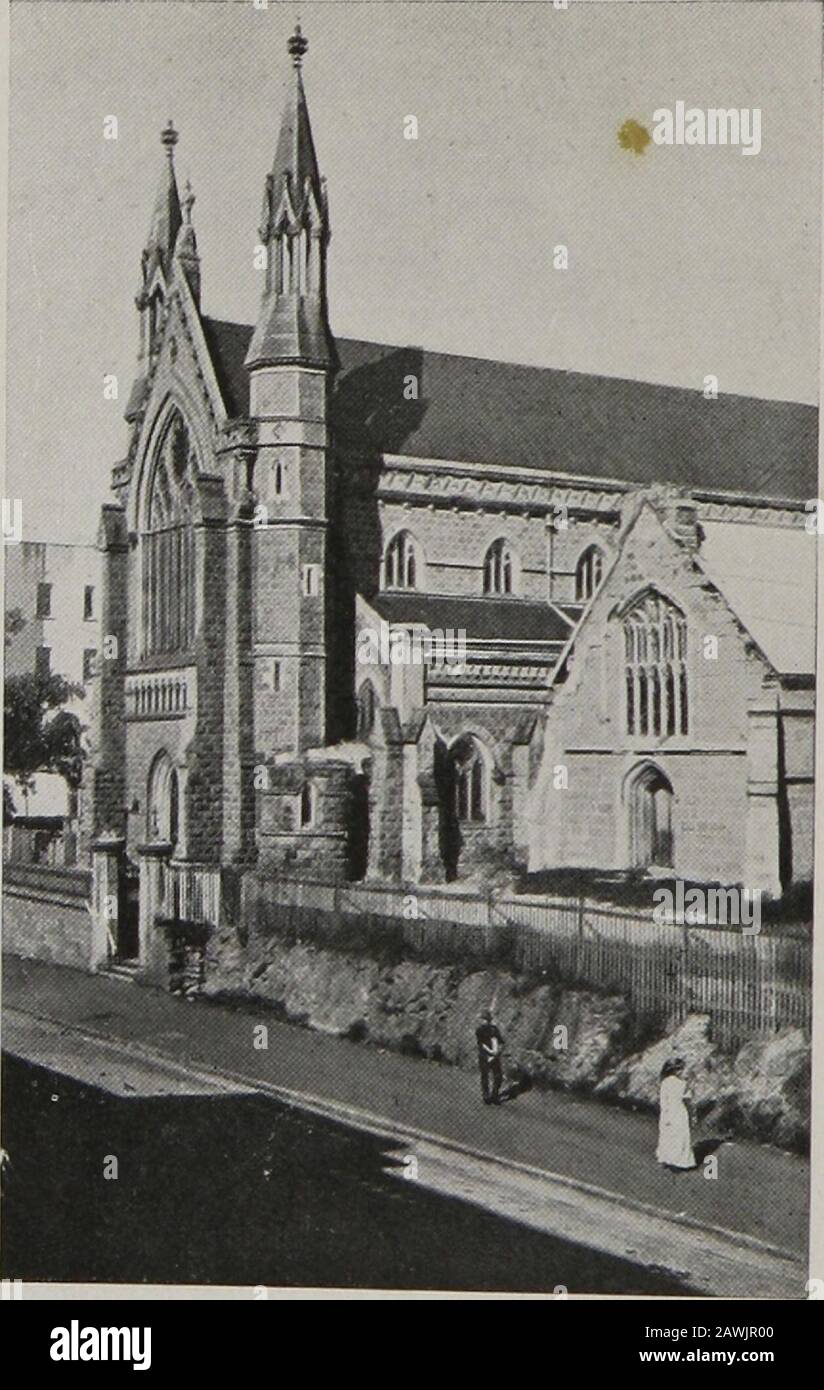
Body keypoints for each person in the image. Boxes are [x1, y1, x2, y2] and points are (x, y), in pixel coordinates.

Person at [656, 1057, 696, 1170]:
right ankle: (679, 1161)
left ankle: (667, 1159)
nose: (681, 1072)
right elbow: (688, 1098)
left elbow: (663, 1100)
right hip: (678, 1111)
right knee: (679, 1135)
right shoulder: (679, 1083)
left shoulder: (667, 1082)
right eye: (680, 1070)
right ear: (674, 1070)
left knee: (668, 1135)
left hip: (670, 1110)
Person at [476, 1009, 504, 1105]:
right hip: (484, 1055)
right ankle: (486, 1095)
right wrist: (490, 1052)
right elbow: (481, 1043)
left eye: (484, 1019)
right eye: (482, 1020)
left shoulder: (494, 1029)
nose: (483, 1022)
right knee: (485, 1075)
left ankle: (494, 1095)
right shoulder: (480, 1030)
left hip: (494, 1055)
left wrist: (497, 1052)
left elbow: (500, 1041)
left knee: (498, 1076)